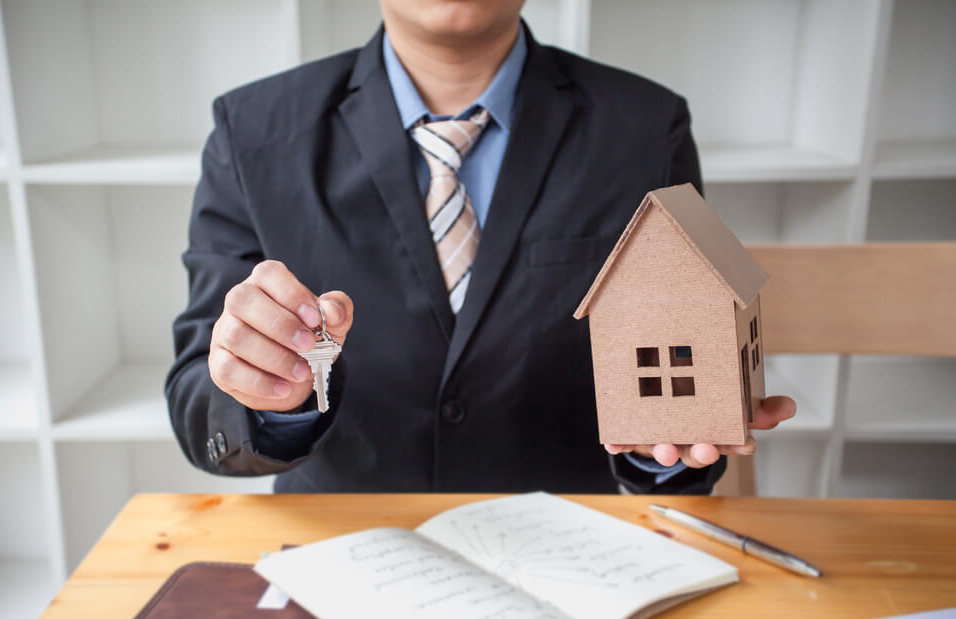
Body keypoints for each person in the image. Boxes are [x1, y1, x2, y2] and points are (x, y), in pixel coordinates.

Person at [165, 0, 796, 494]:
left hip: (575, 548)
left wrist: (665, 448)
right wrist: (269, 395)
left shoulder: (644, 129)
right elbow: (199, 402)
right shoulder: (251, 133)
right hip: (344, 549)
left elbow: (682, 373)